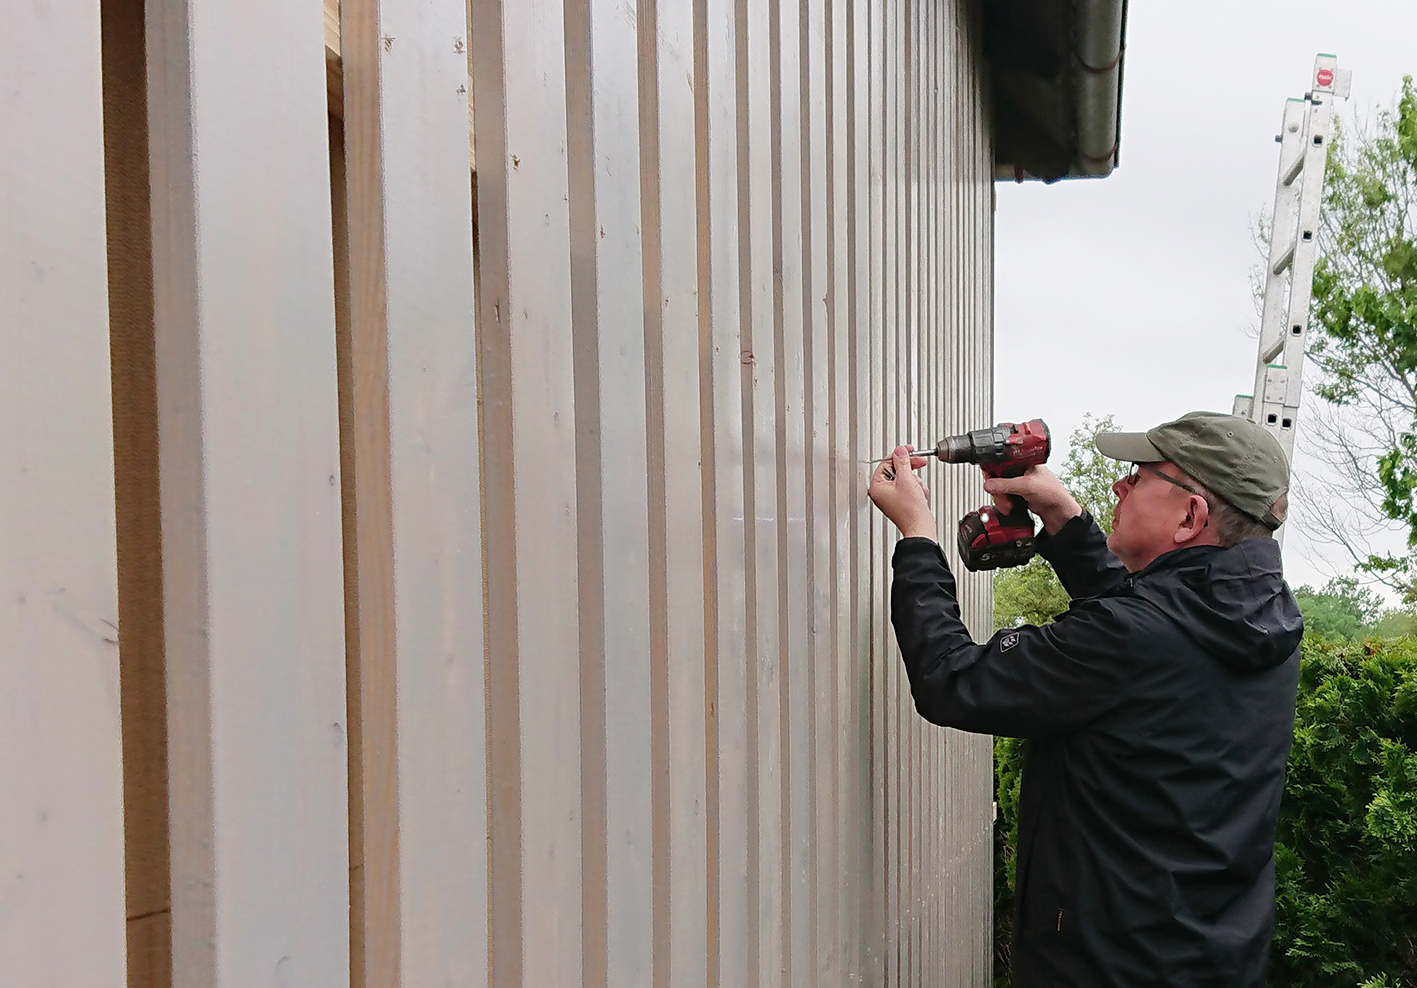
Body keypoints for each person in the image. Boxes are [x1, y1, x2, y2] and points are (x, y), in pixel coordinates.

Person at [867, 411, 1303, 988]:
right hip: (1209, 957)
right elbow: (1152, 615)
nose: (1119, 485)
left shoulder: (1136, 637)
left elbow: (952, 681)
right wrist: (1063, 518)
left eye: (1141, 477)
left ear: (1190, 515)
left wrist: (918, 537)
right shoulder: (1259, 616)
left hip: (1102, 966)